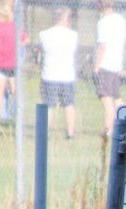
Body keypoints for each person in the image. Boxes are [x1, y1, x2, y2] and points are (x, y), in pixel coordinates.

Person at [38, 7, 77, 139]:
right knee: (69, 104)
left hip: (50, 74)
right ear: (66, 19)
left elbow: (42, 51)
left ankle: (45, 132)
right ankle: (70, 133)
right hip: (67, 75)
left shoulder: (44, 34)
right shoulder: (73, 35)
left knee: (49, 105)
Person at [93, 0, 126, 137]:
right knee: (116, 98)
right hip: (116, 63)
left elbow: (102, 46)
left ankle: (109, 129)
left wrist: (96, 66)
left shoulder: (103, 22)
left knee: (106, 99)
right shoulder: (120, 19)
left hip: (105, 65)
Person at [0, 3, 28, 123]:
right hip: (13, 64)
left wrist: (2, 48)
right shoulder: (15, 27)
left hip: (1, 64)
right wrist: (17, 47)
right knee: (14, 91)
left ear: (0, 15)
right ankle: (18, 114)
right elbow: (26, 39)